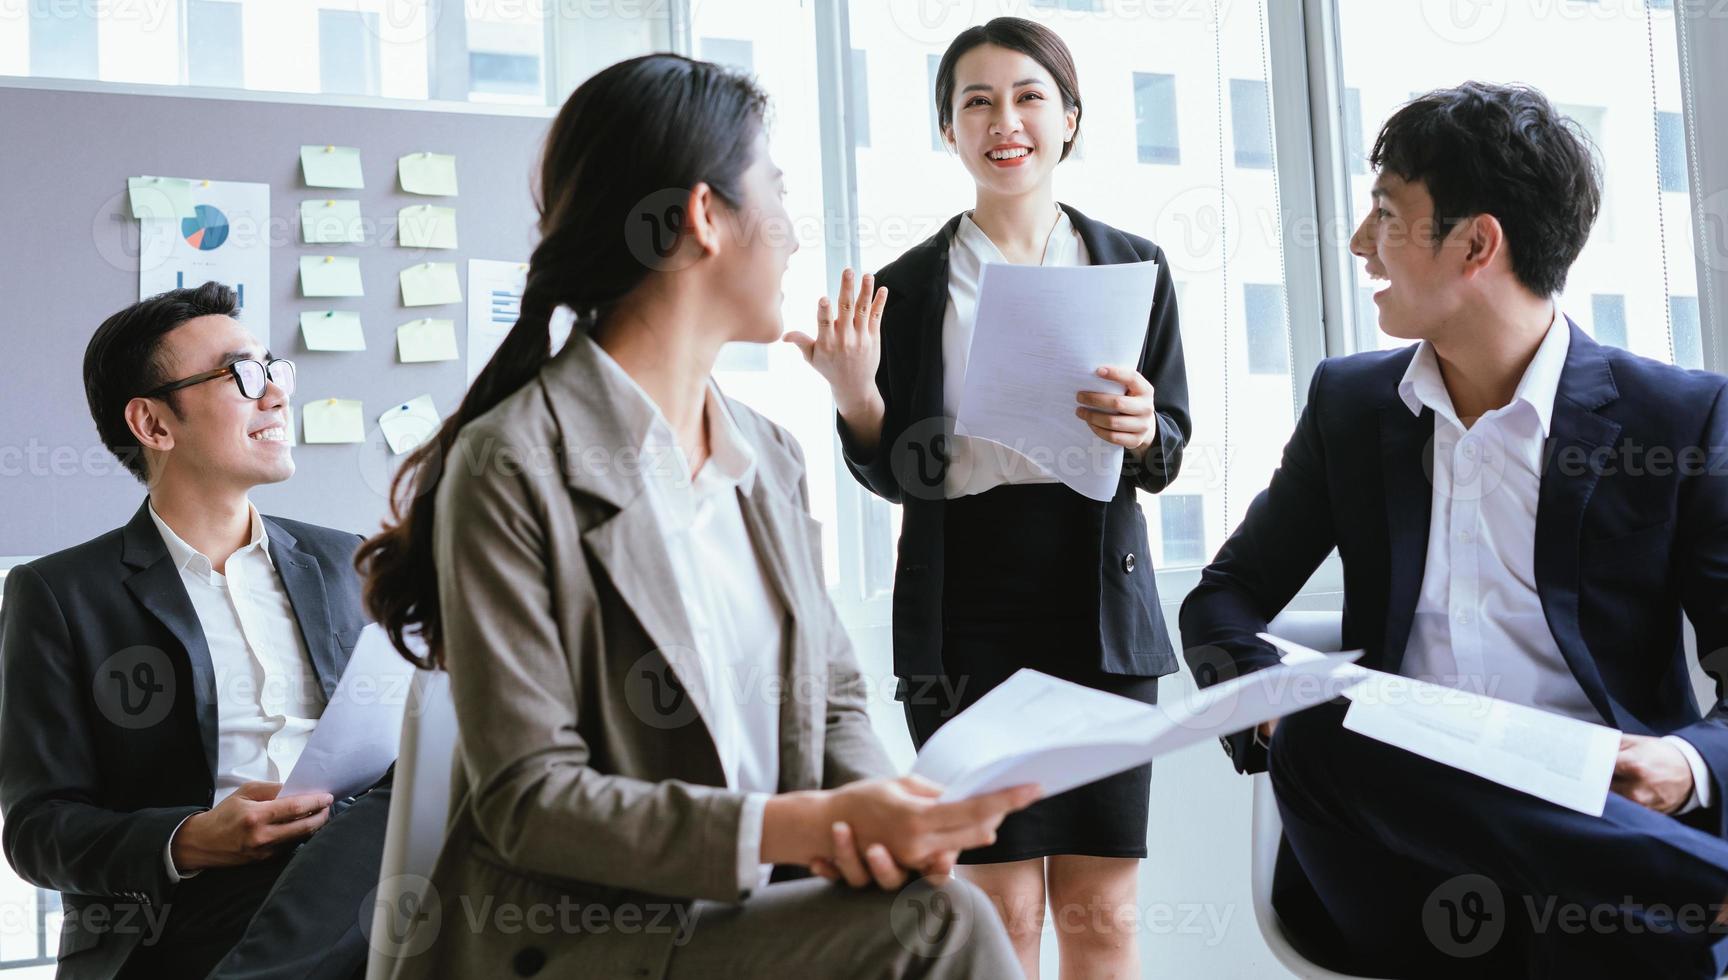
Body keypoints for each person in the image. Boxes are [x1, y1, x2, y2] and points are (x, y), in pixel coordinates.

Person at [354, 53, 1035, 980]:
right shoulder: (512, 461)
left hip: (750, 914)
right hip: (583, 937)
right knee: (946, 928)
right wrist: (811, 824)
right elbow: (530, 800)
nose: (794, 234)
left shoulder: (769, 455)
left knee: (933, 904)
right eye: (779, 194)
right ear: (704, 217)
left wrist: (890, 814)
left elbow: (832, 698)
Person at [1180, 81, 1728, 978]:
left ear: (1477, 243)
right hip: (1406, 864)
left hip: (1606, 848)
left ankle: (1670, 873)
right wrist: (1260, 701)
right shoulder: (1350, 406)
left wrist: (1684, 762)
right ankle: (1702, 882)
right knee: (1323, 729)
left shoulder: (1676, 420)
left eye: (1387, 214)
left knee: (1594, 917)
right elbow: (1223, 598)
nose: (1360, 243)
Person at [788, 16, 1191, 978]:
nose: (1003, 120)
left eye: (1027, 97)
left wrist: (1143, 430)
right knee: (996, 904)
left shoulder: (1131, 267)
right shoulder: (908, 287)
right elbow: (896, 476)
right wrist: (857, 396)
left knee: (1099, 907)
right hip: (962, 607)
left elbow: (1167, 443)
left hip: (1096, 600)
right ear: (949, 129)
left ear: (1069, 120)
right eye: (976, 101)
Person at [0, 282, 391, 980]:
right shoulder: (60, 595)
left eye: (274, 370)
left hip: (357, 871)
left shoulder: (344, 561)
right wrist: (190, 840)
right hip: (183, 914)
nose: (275, 395)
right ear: (153, 424)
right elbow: (38, 830)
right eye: (243, 375)